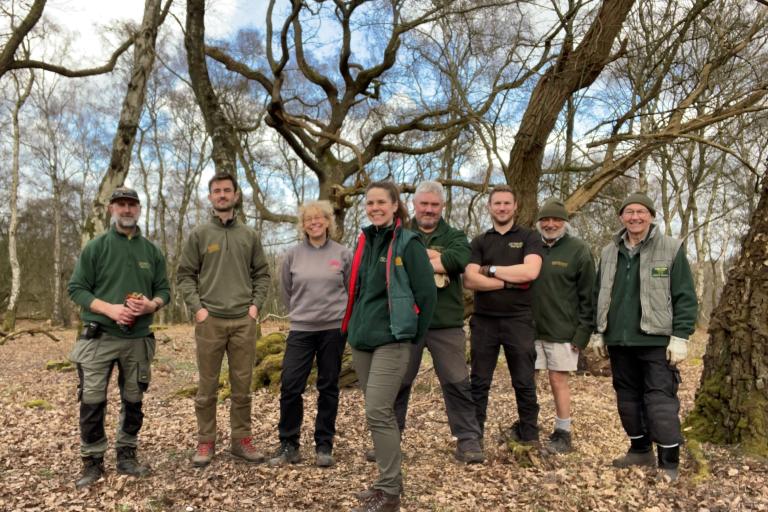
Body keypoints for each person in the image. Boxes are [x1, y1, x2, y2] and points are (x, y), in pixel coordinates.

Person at [67, 186, 170, 489]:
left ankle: (127, 454)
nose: (126, 210)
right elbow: (76, 288)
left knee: (133, 398)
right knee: (92, 399)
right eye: (121, 205)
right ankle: (92, 461)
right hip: (99, 337)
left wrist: (152, 304)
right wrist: (109, 309)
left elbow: (164, 290)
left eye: (132, 205)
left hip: (138, 338)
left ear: (139, 209)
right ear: (111, 209)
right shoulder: (96, 248)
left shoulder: (151, 251)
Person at [343, 181, 437, 512]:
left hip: (393, 340)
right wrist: (353, 328)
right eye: (370, 203)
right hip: (363, 341)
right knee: (377, 413)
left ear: (396, 205)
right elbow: (355, 289)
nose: (375, 207)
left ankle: (390, 492)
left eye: (382, 202)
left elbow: (427, 295)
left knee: (378, 410)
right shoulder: (364, 242)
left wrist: (412, 336)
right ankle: (385, 482)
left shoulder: (408, 244)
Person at [592, 192, 697, 481]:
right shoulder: (608, 251)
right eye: (629, 212)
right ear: (621, 217)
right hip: (619, 340)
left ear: (651, 216)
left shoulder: (671, 248)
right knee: (626, 399)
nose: (635, 217)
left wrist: (681, 336)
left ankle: (669, 462)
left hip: (656, 340)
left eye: (641, 211)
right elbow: (599, 293)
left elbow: (685, 296)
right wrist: (598, 331)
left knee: (659, 402)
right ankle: (639, 450)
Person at [177, 172, 271, 467]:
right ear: (210, 197)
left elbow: (263, 274)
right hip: (210, 321)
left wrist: (255, 307)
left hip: (244, 320)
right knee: (207, 387)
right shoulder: (200, 234)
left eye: (226, 190)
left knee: (242, 386)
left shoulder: (249, 235)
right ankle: (206, 441)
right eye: (216, 191)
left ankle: (241, 440)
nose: (221, 195)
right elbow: (185, 275)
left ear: (236, 195)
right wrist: (198, 309)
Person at [387, 181, 484, 464]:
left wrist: (415, 260)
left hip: (446, 322)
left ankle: (468, 440)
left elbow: (457, 261)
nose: (429, 210)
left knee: (457, 382)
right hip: (407, 323)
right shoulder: (400, 233)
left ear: (442, 207)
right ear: (414, 205)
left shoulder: (455, 234)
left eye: (434, 205)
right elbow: (391, 262)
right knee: (399, 382)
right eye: (424, 204)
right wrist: (435, 260)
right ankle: (389, 440)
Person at [268, 200, 351, 468]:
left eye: (320, 218)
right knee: (291, 385)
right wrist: (301, 313)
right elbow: (286, 291)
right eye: (308, 219)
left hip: (333, 329)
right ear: (303, 225)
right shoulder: (292, 255)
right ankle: (289, 444)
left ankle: (324, 445)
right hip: (302, 329)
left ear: (328, 221)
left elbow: (351, 290)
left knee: (328, 386)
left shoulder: (343, 254)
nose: (314, 222)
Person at [463, 185, 543, 445]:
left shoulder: (530, 237)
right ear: (489, 207)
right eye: (497, 203)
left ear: (515, 206)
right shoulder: (480, 241)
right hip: (484, 320)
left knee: (523, 382)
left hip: (519, 320)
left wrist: (492, 269)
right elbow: (470, 279)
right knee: (479, 382)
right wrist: (509, 281)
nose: (502, 208)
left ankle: (529, 436)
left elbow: (530, 273)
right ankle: (474, 438)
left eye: (507, 203)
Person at [531, 198, 595, 453]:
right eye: (545, 219)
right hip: (530, 329)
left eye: (556, 219)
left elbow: (589, 295)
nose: (550, 224)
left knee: (558, 379)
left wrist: (582, 334)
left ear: (565, 223)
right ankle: (528, 425)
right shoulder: (531, 245)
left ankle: (563, 431)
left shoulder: (578, 250)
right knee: (527, 379)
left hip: (563, 331)